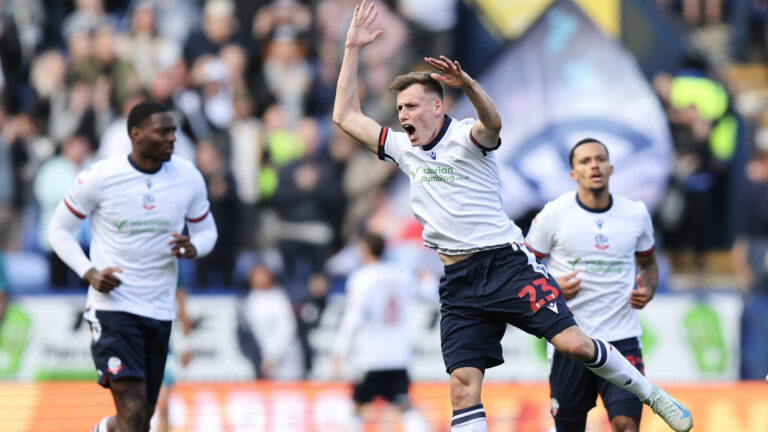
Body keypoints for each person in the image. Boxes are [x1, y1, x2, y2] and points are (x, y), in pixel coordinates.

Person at [331, 3, 693, 431]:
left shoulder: (466, 135)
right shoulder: (403, 148)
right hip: (459, 280)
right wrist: (351, 47)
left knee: (574, 345)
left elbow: (494, 123)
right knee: (462, 388)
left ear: (438, 106)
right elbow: (345, 116)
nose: (404, 115)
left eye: (411, 105)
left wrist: (468, 83)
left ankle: (651, 395)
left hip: (504, 264)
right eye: (400, 108)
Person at [47, 101, 218, 432]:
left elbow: (207, 230)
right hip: (114, 309)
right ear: (136, 135)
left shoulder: (188, 177)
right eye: (163, 132)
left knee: (141, 420)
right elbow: (58, 231)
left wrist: (194, 247)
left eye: (174, 132)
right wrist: (89, 272)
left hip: (159, 310)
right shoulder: (100, 178)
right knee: (134, 406)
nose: (172, 139)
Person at [524, 138, 658, 432]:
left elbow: (648, 264)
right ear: (573, 174)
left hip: (621, 339)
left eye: (599, 159)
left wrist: (648, 288)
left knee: (627, 424)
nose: (594, 165)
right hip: (570, 340)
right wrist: (553, 285)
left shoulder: (635, 213)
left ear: (611, 167)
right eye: (584, 161)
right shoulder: (553, 214)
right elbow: (523, 268)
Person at [331, 232, 427, 432]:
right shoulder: (401, 275)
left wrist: (340, 351)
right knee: (404, 405)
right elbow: (419, 298)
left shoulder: (361, 278)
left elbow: (353, 318)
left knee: (357, 406)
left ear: (365, 249)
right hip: (398, 353)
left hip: (371, 355)